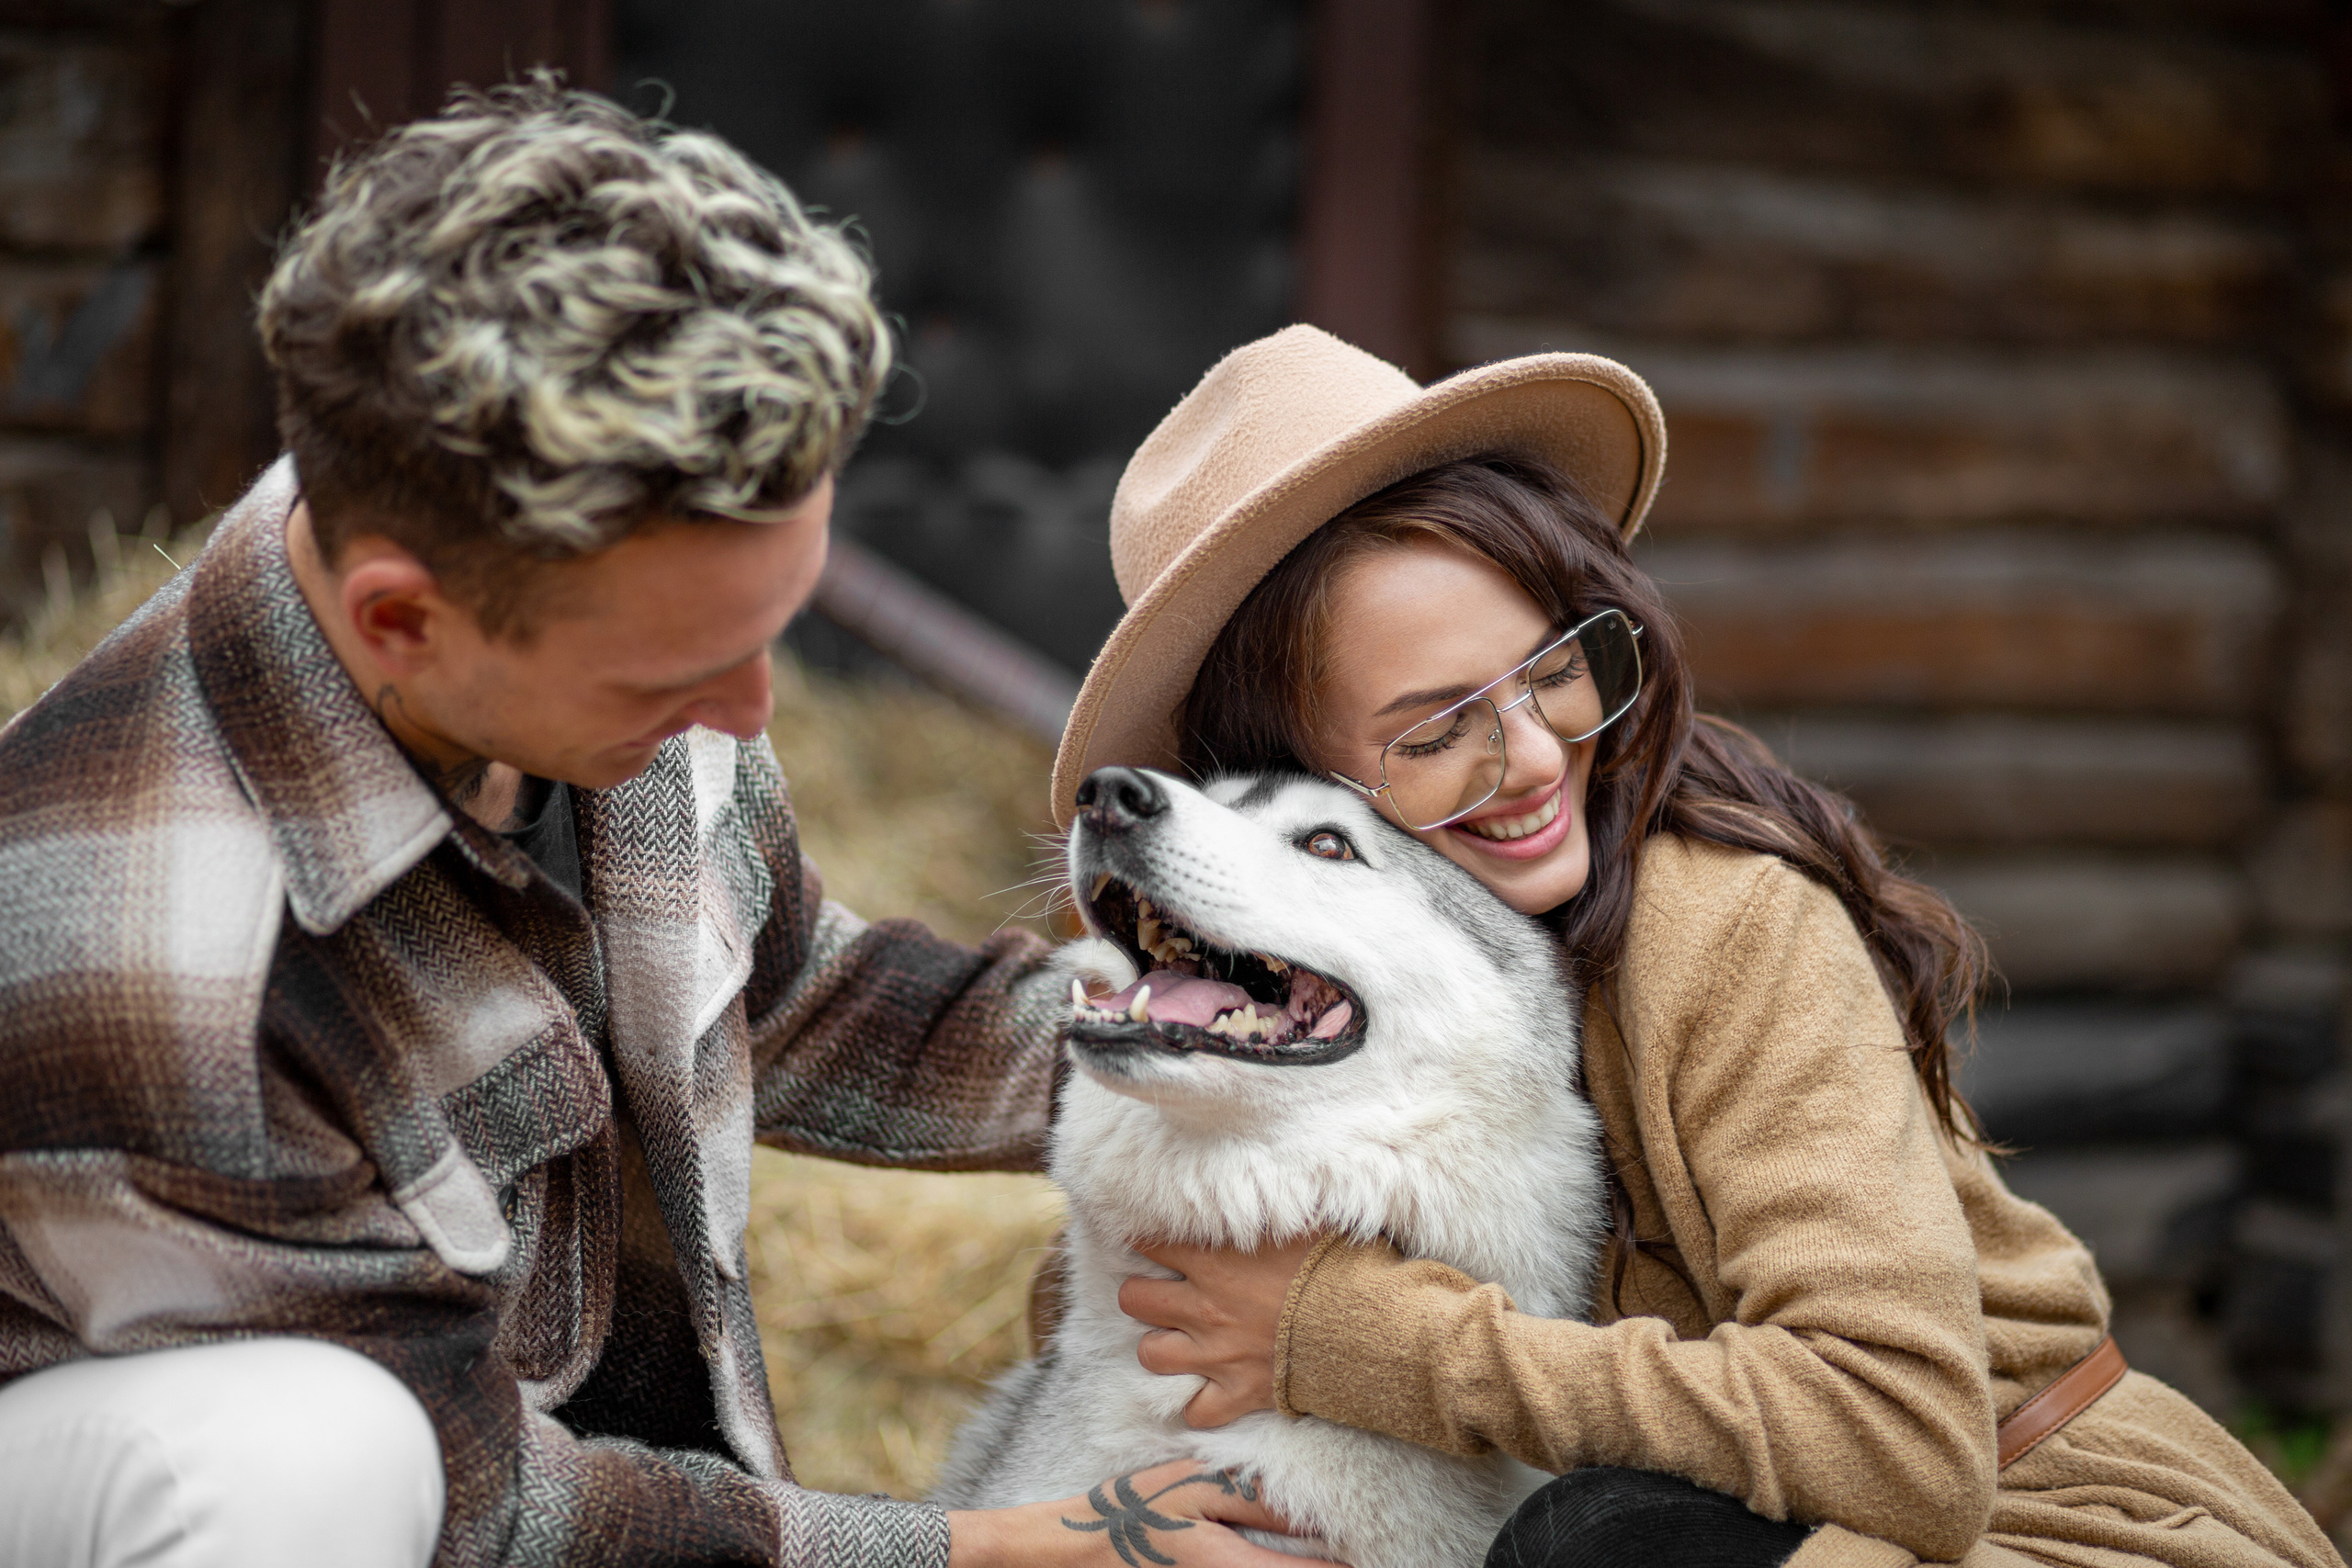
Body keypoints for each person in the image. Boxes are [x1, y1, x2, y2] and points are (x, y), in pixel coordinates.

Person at [0, 80, 1306, 1568]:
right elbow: (481, 1505)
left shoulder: (540, 609)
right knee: (309, 1458)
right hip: (201, 1493)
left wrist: (1206, 1052)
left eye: (773, 632)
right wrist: (1010, 1546)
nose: (752, 715)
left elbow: (794, 996)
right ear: (403, 619)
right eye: (680, 672)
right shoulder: (168, 965)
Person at [1048, 323, 2344, 1568]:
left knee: (1606, 1545)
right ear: (1287, 770)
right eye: (1436, 729)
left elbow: (1905, 1439)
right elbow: (1138, 1285)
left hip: (2052, 1527)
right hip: (1782, 1531)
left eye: (1556, 669)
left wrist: (1359, 1339)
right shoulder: (1295, 988)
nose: (1538, 759)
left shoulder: (1719, 924)